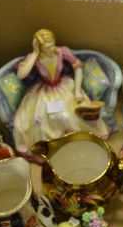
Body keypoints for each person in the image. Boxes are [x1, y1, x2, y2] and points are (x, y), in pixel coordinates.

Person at [13, 29, 109, 157]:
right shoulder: (34, 58)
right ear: (39, 46)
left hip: (64, 87)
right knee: (42, 121)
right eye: (46, 47)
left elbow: (78, 68)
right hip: (44, 92)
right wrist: (35, 54)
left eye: (52, 44)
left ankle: (74, 142)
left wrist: (77, 91)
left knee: (72, 115)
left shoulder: (62, 52)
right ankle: (57, 146)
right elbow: (21, 74)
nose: (51, 48)